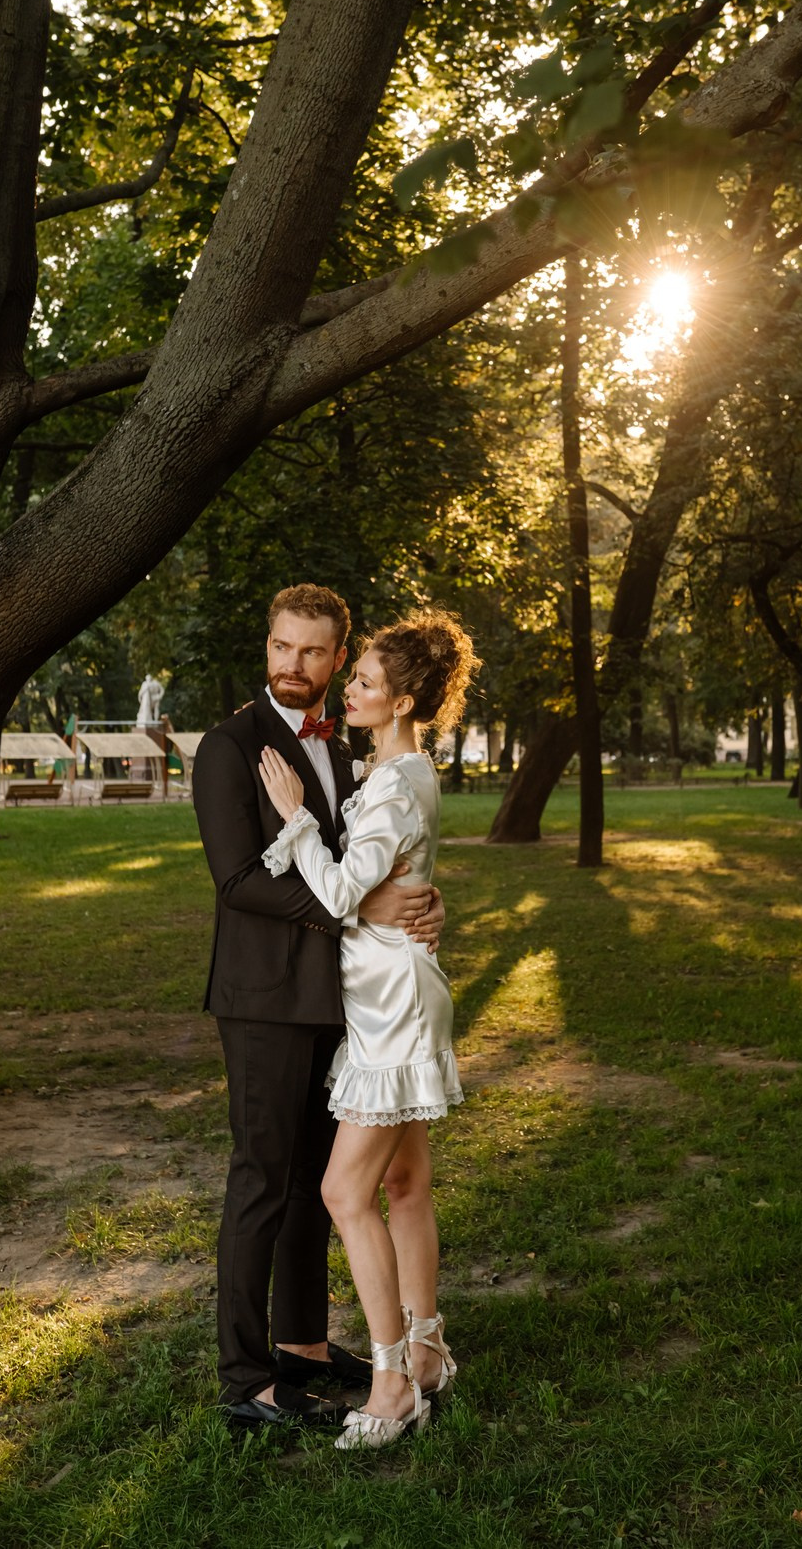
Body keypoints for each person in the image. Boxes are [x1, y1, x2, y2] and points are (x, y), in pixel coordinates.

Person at [192, 584, 445, 1433]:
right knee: (262, 1179)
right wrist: (353, 908)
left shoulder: (357, 750)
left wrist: (421, 899)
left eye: (311, 652)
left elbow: (375, 855)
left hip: (345, 998)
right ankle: (244, 1377)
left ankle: (302, 1345)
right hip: (264, 998)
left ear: (340, 660)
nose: (291, 666)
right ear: (266, 647)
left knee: (313, 1182)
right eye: (279, 648)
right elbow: (237, 880)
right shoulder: (231, 747)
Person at [259, 608, 478, 1449]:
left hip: (390, 998)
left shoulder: (392, 780)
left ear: (403, 698)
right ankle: (426, 1352)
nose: (346, 686)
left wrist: (294, 816)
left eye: (362, 681)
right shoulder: (405, 770)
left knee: (343, 1191)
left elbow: (346, 891)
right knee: (404, 1185)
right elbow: (396, 875)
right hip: (398, 984)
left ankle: (390, 1386)